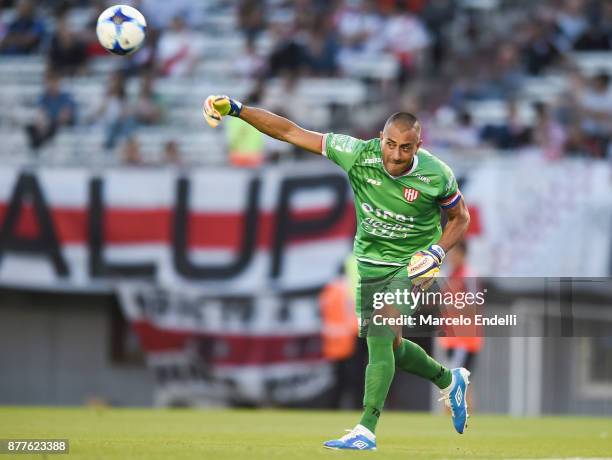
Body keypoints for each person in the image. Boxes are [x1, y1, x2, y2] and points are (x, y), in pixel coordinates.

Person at [203, 93, 471, 451]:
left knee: (379, 332)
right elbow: (290, 132)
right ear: (380, 138)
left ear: (418, 146)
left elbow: (460, 218)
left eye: (405, 148)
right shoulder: (358, 154)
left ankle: (366, 428)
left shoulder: (437, 174)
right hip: (370, 262)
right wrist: (237, 109)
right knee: (389, 344)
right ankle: (448, 379)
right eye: (390, 144)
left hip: (415, 263)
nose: (395, 154)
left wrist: (436, 251)